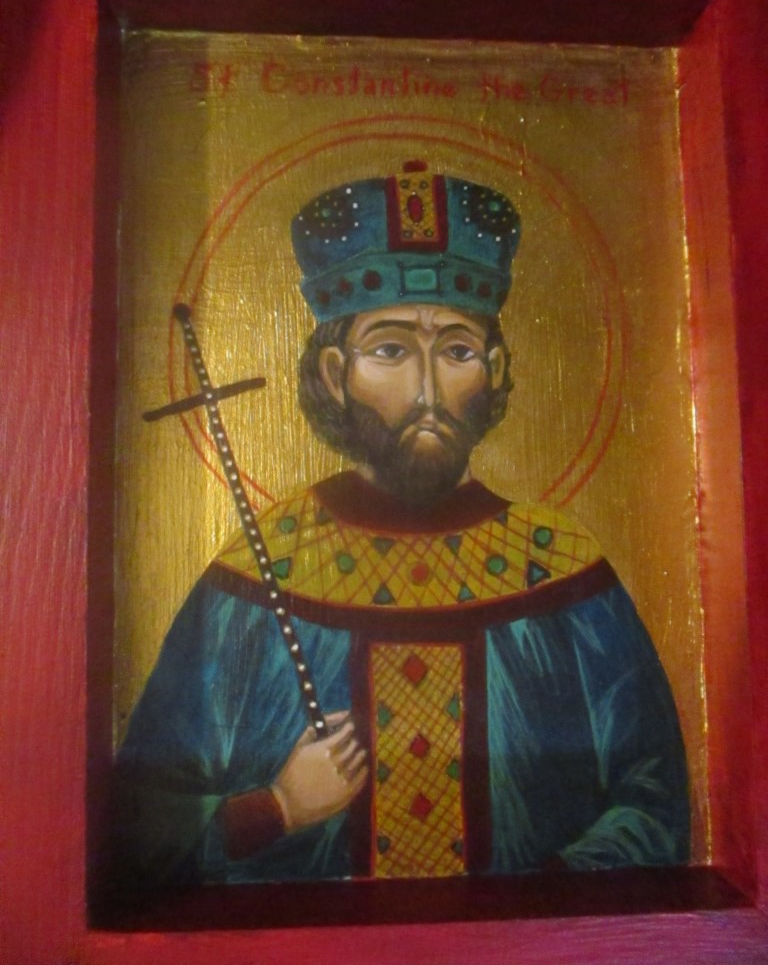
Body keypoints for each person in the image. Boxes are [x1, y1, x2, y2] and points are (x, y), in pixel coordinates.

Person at [115, 161, 689, 888]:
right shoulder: (263, 569)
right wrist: (276, 808)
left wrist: (529, 911)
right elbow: (135, 827)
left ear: (495, 369)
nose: (427, 392)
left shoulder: (561, 568)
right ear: (335, 373)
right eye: (390, 350)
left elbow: (654, 803)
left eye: (456, 351)